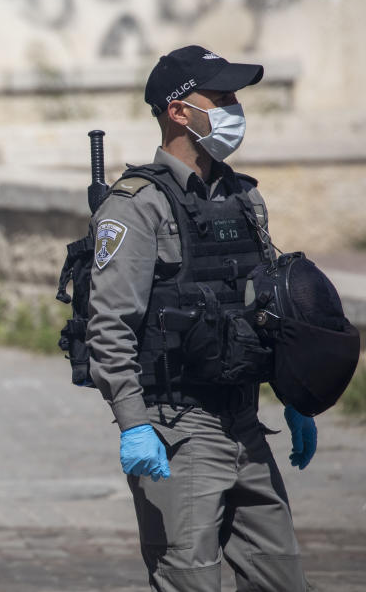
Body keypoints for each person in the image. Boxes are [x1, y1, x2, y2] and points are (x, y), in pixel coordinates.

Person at [86, 46, 317, 591]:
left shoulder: (244, 197)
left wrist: (295, 396)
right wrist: (134, 423)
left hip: (245, 423)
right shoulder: (136, 205)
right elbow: (109, 325)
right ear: (179, 112)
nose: (236, 108)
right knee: (190, 582)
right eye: (221, 98)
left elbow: (268, 309)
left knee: (284, 581)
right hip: (178, 432)